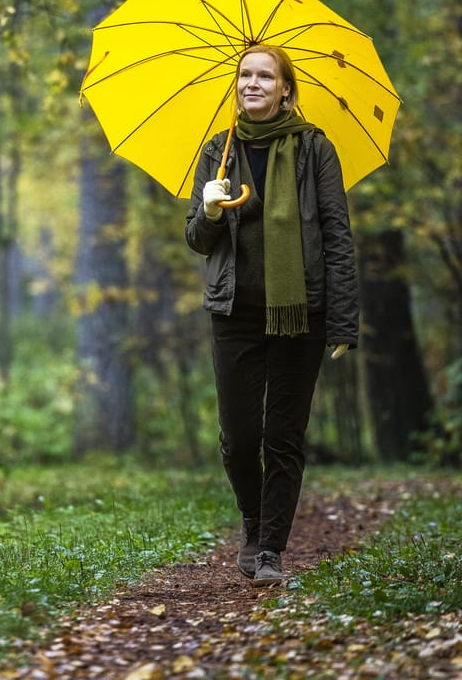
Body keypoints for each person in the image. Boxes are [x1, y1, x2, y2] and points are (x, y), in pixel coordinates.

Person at [185, 44, 359, 587]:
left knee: (283, 434)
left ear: (286, 88)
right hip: (233, 311)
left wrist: (343, 320)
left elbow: (336, 232)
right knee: (238, 438)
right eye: (245, 75)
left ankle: (270, 553)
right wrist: (210, 210)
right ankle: (254, 520)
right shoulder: (218, 150)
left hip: (299, 312)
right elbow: (196, 238)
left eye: (265, 75)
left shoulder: (313, 149)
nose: (252, 83)